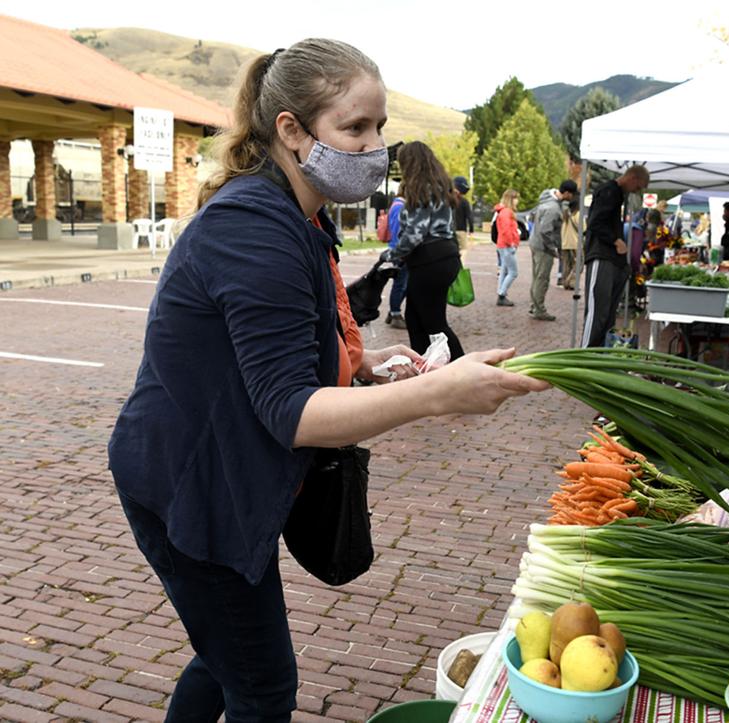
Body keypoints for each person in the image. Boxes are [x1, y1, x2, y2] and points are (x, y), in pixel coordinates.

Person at [106, 39, 547, 722]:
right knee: (261, 685)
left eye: (379, 127)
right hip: (189, 485)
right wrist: (436, 394)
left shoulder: (293, 213)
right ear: (291, 130)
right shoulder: (254, 228)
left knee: (225, 656)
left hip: (223, 474)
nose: (375, 147)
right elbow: (291, 412)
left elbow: (272, 343)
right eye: (354, 128)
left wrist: (359, 362)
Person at [385, 141, 466, 361]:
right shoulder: (440, 187)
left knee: (433, 323)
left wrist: (391, 254)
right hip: (444, 257)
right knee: (416, 319)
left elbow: (415, 233)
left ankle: (462, 366)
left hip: (429, 261)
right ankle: (425, 367)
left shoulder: (421, 189)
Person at [581, 165, 650, 348]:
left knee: (605, 314)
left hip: (610, 259)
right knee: (598, 312)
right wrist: (615, 240)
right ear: (633, 178)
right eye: (638, 186)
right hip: (601, 256)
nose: (637, 191)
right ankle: (584, 353)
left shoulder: (616, 194)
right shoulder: (609, 191)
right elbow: (595, 222)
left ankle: (597, 352)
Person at [528, 179, 579, 321]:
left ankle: (534, 306)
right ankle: (539, 309)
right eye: (572, 194)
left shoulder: (547, 201)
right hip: (543, 247)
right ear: (567, 193)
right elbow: (545, 231)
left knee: (537, 277)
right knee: (542, 278)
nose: (572, 197)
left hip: (536, 243)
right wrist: (552, 248)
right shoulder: (553, 208)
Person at [384, 193, 407, 329]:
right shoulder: (400, 207)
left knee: (404, 283)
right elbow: (399, 230)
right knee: (400, 283)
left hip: (397, 249)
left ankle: (393, 310)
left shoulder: (396, 205)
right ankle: (395, 313)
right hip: (400, 250)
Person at [494, 188, 520, 306]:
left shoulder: (503, 211)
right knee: (513, 272)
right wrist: (511, 243)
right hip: (506, 245)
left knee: (504, 271)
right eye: (515, 198)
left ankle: (501, 293)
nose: (517, 201)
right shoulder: (506, 212)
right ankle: (502, 294)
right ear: (511, 199)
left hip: (503, 245)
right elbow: (506, 231)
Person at [559, 199, 580, 290]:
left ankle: (565, 282)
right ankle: (571, 282)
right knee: (578, 264)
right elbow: (583, 228)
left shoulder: (564, 216)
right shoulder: (578, 215)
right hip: (575, 243)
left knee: (566, 265)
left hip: (565, 243)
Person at [453, 175, 474, 259]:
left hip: (450, 229)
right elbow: (469, 216)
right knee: (463, 250)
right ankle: (460, 265)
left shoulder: (448, 200)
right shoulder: (464, 202)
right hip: (461, 230)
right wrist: (471, 229)